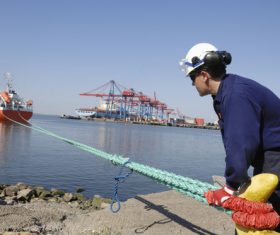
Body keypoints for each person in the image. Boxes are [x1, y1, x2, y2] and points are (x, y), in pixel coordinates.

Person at [179, 43, 280, 231]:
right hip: (269, 159)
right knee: (254, 220)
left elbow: (241, 144)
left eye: (192, 77)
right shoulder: (229, 92)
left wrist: (229, 187)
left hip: (276, 159)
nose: (192, 83)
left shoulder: (236, 95)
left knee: (266, 220)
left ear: (204, 75)